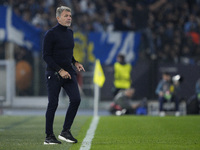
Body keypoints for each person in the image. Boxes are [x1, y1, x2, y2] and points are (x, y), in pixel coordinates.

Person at [42, 6, 85, 145]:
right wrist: (59, 70)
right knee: (53, 104)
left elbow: (67, 53)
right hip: (54, 73)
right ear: (58, 18)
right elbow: (46, 56)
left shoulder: (70, 33)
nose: (69, 18)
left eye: (70, 16)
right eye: (66, 15)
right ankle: (49, 136)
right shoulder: (51, 34)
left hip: (69, 72)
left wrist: (75, 62)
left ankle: (65, 131)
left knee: (76, 99)